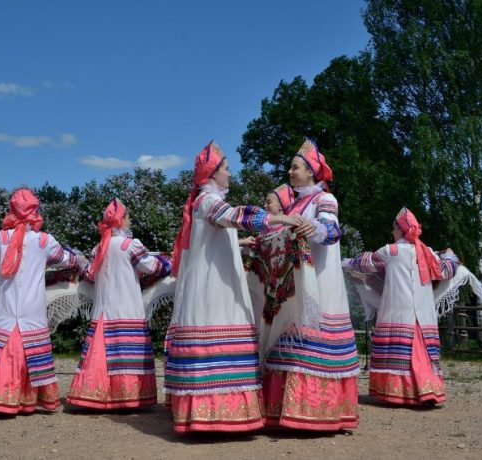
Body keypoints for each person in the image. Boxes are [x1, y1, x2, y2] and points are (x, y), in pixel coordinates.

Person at [164, 141, 299, 433]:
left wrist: (238, 243)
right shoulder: (208, 201)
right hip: (213, 287)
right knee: (218, 330)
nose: (229, 174)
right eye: (226, 169)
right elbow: (233, 216)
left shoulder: (202, 201)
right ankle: (211, 416)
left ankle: (211, 413)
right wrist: (278, 217)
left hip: (214, 280)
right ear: (212, 173)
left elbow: (210, 237)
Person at [260, 139, 361, 430]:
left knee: (312, 340)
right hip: (299, 284)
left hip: (320, 283)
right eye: (290, 167)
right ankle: (287, 410)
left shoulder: (324, 200)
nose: (290, 172)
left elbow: (332, 231)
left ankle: (318, 412)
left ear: (312, 172)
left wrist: (313, 228)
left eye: (295, 167)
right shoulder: (297, 203)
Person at [0, 188, 82, 414]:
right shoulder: (45, 241)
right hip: (32, 309)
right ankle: (27, 400)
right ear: (35, 211)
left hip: (3, 307)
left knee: (0, 350)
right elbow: (68, 260)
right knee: (30, 350)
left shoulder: (0, 237)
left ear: (11, 209)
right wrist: (74, 253)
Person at [66, 198, 171, 410]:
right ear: (121, 221)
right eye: (128, 217)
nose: (131, 221)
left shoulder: (100, 248)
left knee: (100, 351)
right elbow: (149, 266)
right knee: (125, 352)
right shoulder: (130, 245)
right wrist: (168, 262)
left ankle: (94, 394)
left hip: (104, 309)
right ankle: (127, 396)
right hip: (126, 308)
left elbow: (89, 275)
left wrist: (81, 263)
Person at [350, 207, 458, 406]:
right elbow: (446, 271)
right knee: (421, 351)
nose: (392, 232)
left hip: (398, 310)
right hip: (422, 313)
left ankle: (400, 392)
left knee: (405, 352)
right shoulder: (428, 253)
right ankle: (428, 390)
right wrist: (450, 256)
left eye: (394, 228)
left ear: (400, 230)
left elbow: (366, 263)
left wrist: (344, 263)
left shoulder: (391, 251)